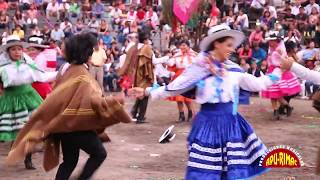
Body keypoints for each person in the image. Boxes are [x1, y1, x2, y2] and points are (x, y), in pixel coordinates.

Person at [129, 24, 281, 180]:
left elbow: (258, 84)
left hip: (231, 126)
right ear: (216, 43)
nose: (232, 49)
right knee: (206, 173)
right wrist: (147, 91)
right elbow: (176, 87)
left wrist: (279, 70)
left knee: (231, 172)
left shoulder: (234, 71)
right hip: (208, 127)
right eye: (228, 45)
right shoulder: (199, 68)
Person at [5, 32, 131, 179]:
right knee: (99, 154)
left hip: (63, 124)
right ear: (87, 55)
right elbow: (94, 101)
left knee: (69, 161)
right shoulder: (81, 75)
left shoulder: (69, 69)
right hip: (76, 125)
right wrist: (115, 101)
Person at [0, 35, 56, 169]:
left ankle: (28, 159)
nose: (17, 52)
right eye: (13, 49)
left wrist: (61, 73)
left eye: (19, 49)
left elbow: (41, 75)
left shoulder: (28, 62)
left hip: (29, 97)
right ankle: (15, 152)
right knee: (12, 129)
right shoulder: (3, 66)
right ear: (8, 52)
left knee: (31, 128)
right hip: (10, 100)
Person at [261, 31, 301, 120]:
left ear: (276, 41)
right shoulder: (271, 49)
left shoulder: (279, 49)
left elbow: (285, 60)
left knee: (275, 93)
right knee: (273, 93)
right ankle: (282, 109)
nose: (270, 42)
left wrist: (282, 70)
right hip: (272, 71)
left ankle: (284, 108)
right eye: (270, 41)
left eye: (272, 41)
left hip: (278, 72)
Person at [118, 30, 154, 124]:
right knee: (144, 94)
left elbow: (127, 61)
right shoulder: (147, 48)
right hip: (143, 75)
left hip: (133, 75)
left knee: (139, 94)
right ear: (145, 39)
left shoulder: (132, 47)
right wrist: (166, 58)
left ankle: (134, 112)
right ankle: (140, 117)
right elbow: (153, 61)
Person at [165, 39, 197, 122]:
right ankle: (181, 115)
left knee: (188, 98)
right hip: (178, 77)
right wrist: (168, 58)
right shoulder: (177, 55)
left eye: (184, 45)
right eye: (181, 45)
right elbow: (170, 63)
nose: (182, 47)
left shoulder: (193, 55)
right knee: (179, 98)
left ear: (188, 46)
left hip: (188, 77)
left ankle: (190, 114)